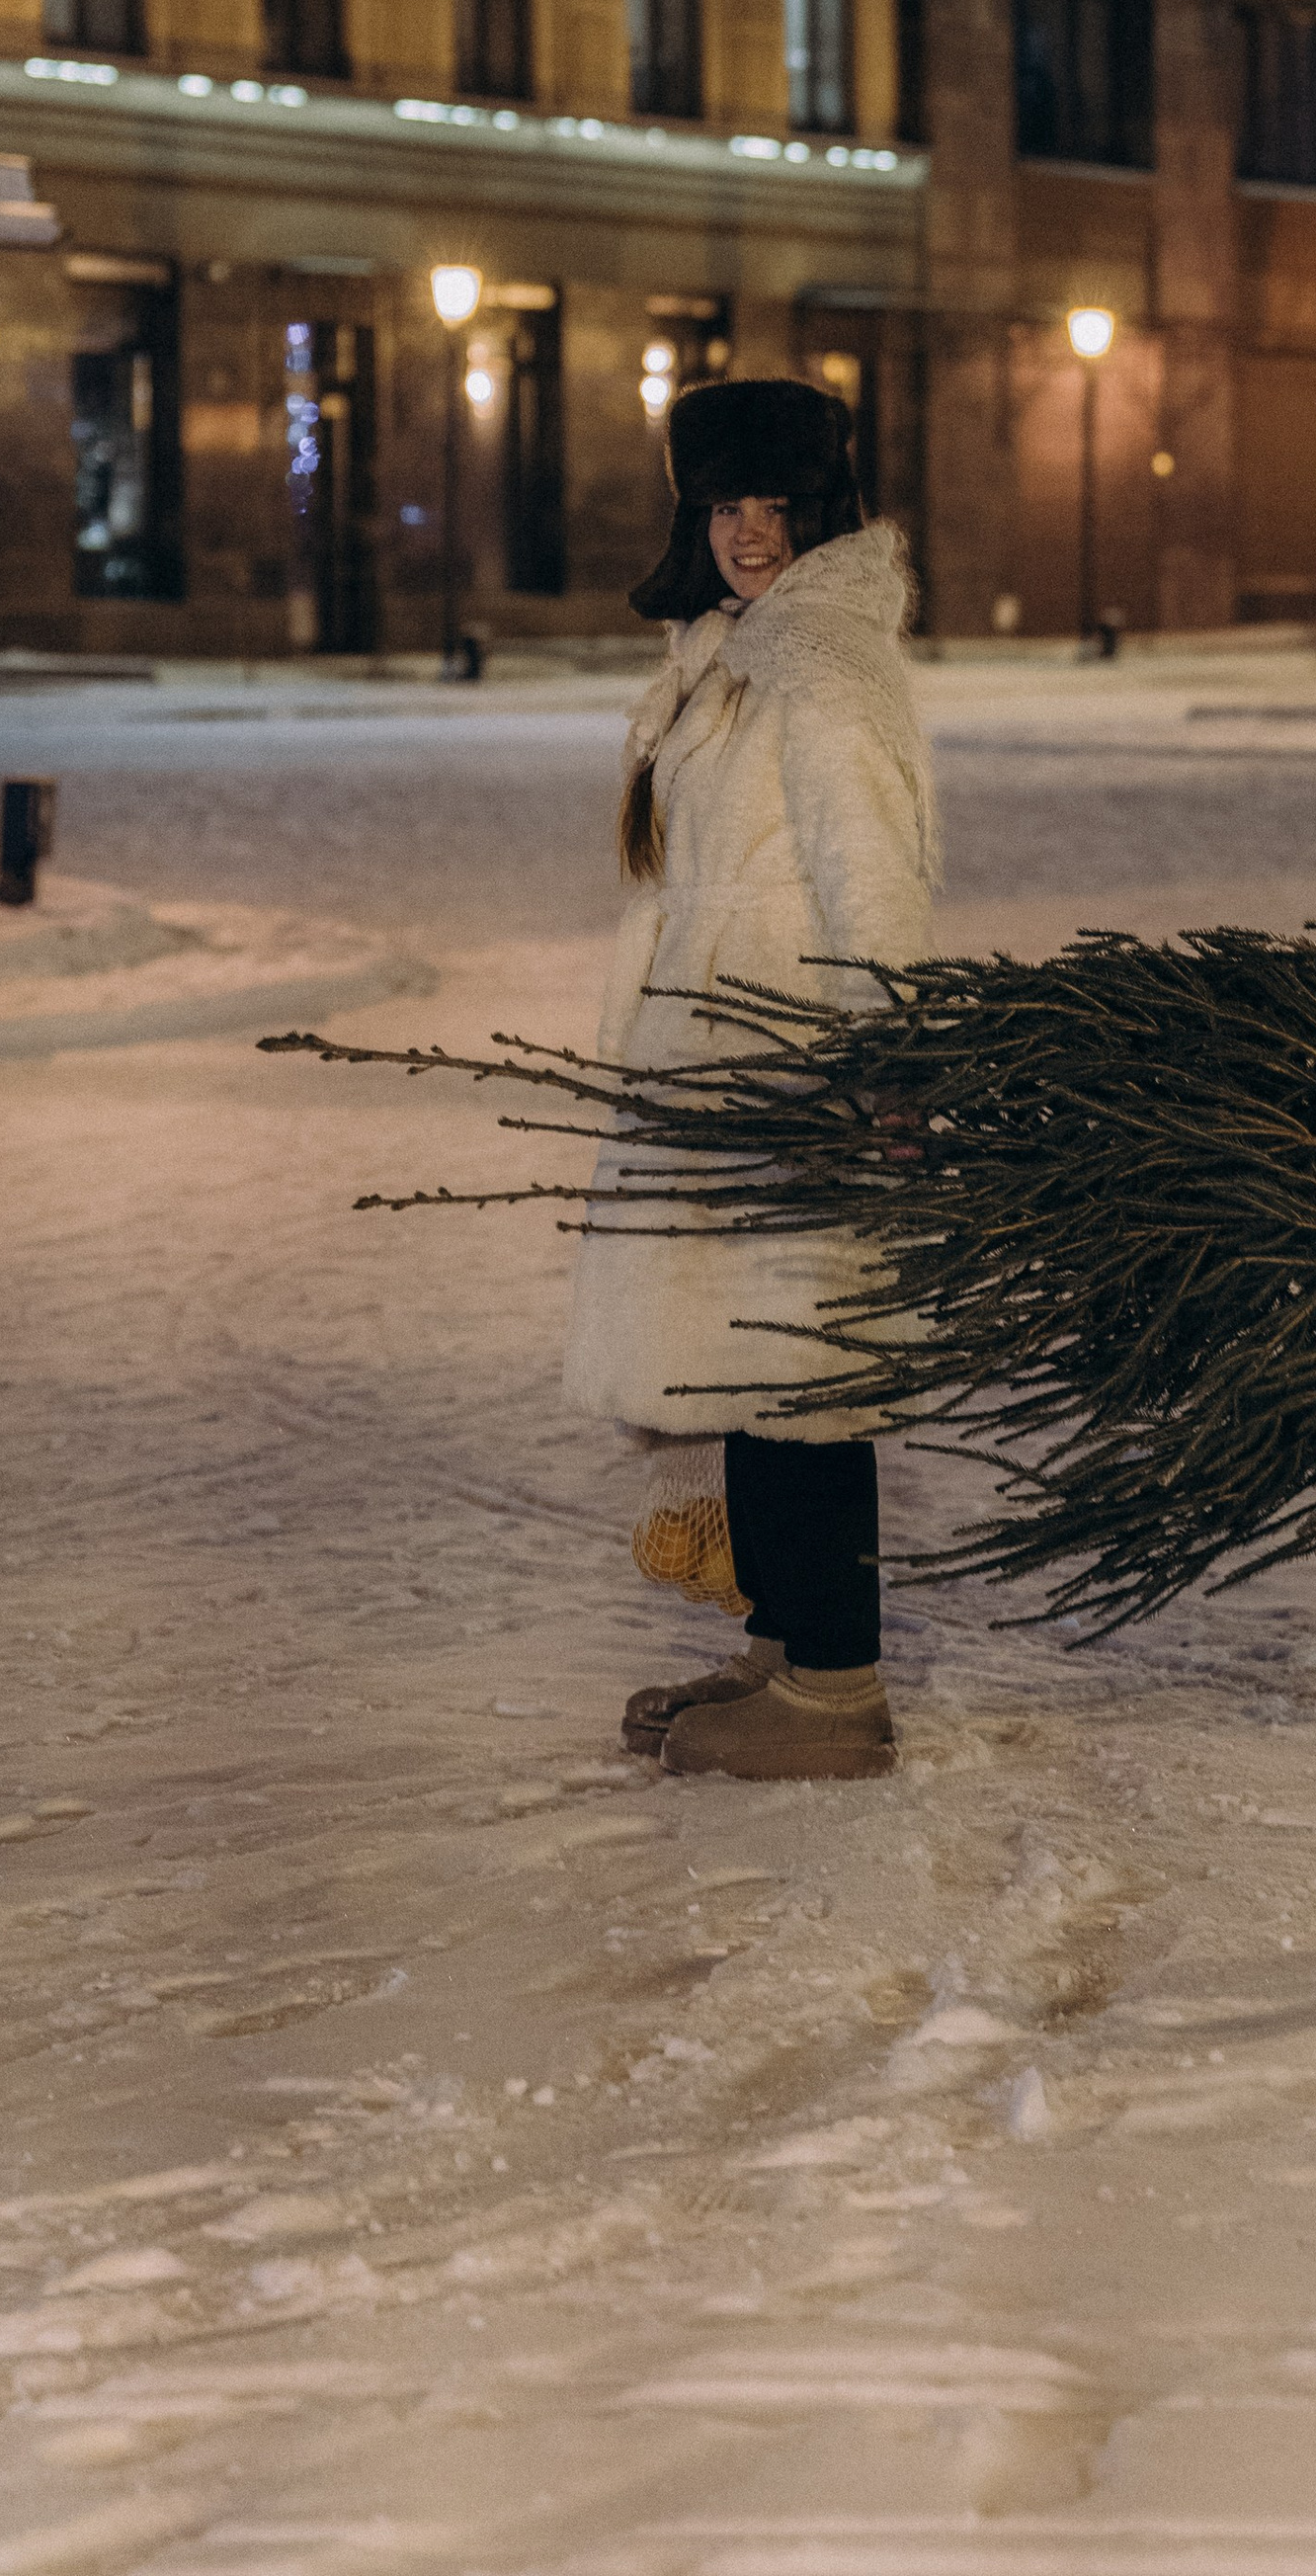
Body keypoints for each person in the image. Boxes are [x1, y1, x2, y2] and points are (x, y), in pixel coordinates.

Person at [561, 378, 938, 1782]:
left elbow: (874, 880)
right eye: (730, 506)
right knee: (753, 1372)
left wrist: (883, 1064)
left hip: (797, 1062)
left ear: (822, 511)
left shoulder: (820, 668)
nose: (752, 533)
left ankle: (835, 1693)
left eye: (779, 506)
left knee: (802, 1377)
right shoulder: (728, 652)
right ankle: (786, 1653)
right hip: (720, 1060)